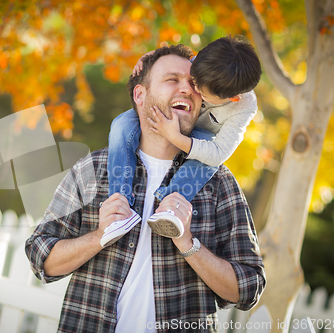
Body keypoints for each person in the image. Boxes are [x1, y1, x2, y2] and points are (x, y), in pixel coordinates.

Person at [25, 44, 265, 333]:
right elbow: (40, 257)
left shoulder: (219, 183)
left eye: (193, 84)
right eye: (172, 80)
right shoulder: (93, 169)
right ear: (140, 95)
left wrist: (188, 244)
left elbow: (248, 288)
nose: (188, 89)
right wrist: (99, 237)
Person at [106, 36, 261, 244]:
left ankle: (171, 205)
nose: (190, 89)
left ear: (232, 98)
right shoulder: (203, 62)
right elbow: (175, 58)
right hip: (169, 117)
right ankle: (120, 201)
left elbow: (219, 153)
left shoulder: (244, 107)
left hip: (198, 139)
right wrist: (150, 57)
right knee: (120, 124)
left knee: (208, 162)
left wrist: (176, 138)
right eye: (194, 78)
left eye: (200, 90)